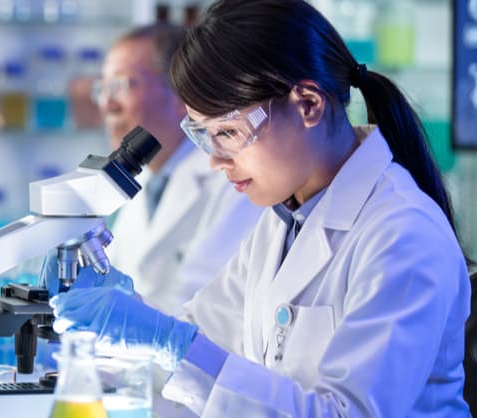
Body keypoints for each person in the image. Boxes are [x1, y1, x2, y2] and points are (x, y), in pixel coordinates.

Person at [49, 1, 473, 416]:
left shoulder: (403, 236)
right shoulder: (284, 222)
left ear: (308, 104)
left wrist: (165, 340)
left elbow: (347, 413)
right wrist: (129, 313)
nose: (215, 160)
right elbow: (198, 340)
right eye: (205, 135)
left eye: (229, 131)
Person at [92, 22, 262, 315]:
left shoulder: (232, 178)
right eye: (103, 88)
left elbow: (209, 308)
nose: (107, 104)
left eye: (121, 85)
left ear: (182, 94)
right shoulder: (146, 178)